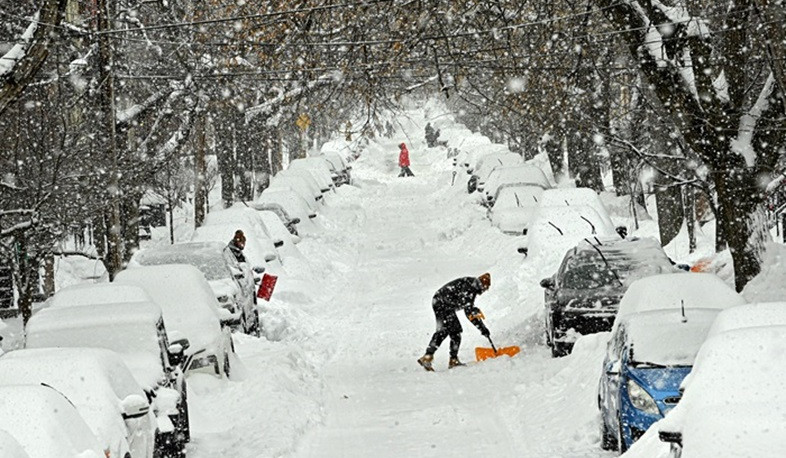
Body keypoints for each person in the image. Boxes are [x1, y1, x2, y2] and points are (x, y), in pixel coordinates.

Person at [417, 273, 492, 371]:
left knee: (450, 331)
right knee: (449, 331)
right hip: (442, 303)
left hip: (442, 302)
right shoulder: (470, 288)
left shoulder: (471, 285)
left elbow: (468, 309)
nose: (485, 291)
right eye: (486, 288)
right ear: (482, 285)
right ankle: (436, 358)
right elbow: (468, 311)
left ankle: (440, 358)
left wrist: (482, 328)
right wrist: (482, 328)